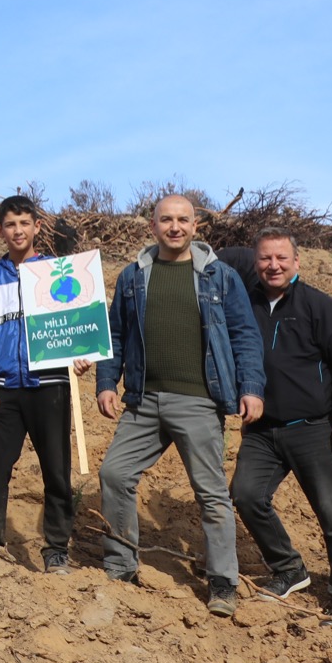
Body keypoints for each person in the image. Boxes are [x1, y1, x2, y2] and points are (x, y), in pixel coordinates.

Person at [97, 195, 264, 617]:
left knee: (210, 494)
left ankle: (223, 581)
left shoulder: (220, 276)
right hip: (143, 400)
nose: (175, 227)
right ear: (152, 226)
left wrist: (251, 388)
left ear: (196, 226)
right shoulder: (133, 276)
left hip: (199, 401)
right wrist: (106, 383)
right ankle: (121, 565)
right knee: (115, 473)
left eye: (183, 220)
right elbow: (115, 335)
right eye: (166, 220)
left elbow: (245, 335)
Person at [230, 229, 332, 619]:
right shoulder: (244, 305)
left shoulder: (320, 307)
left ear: (297, 262)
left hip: (313, 428)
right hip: (261, 429)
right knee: (245, 495)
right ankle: (290, 569)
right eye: (264, 259)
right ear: (254, 262)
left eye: (281, 259)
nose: (273, 266)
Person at [0, 195, 77, 574]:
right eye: (10, 224)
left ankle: (56, 550)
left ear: (36, 227)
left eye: (24, 223)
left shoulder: (56, 270)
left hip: (49, 385)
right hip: (3, 389)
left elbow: (78, 323)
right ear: (0, 230)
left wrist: (80, 352)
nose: (17, 230)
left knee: (56, 469)